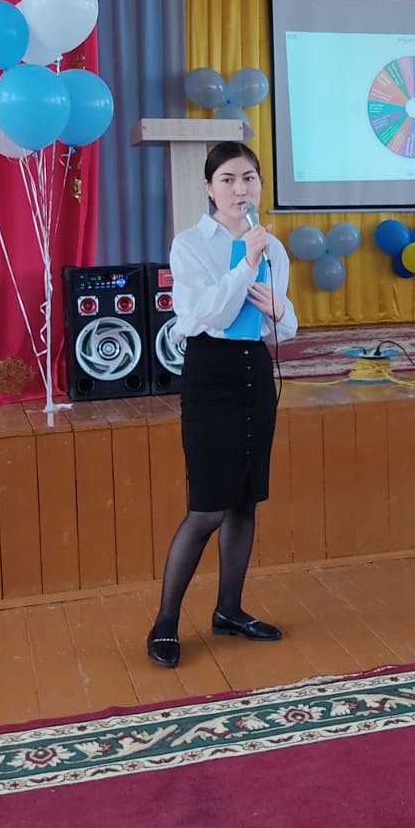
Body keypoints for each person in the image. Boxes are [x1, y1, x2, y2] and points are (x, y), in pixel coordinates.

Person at [146, 143, 297, 665]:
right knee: (207, 507)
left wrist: (281, 309)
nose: (240, 189)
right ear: (209, 188)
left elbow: (285, 325)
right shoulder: (190, 244)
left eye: (249, 178)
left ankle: (229, 610)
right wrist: (246, 263)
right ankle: (165, 622)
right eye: (228, 179)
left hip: (254, 373)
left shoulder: (273, 248)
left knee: (244, 501)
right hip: (210, 375)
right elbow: (206, 315)